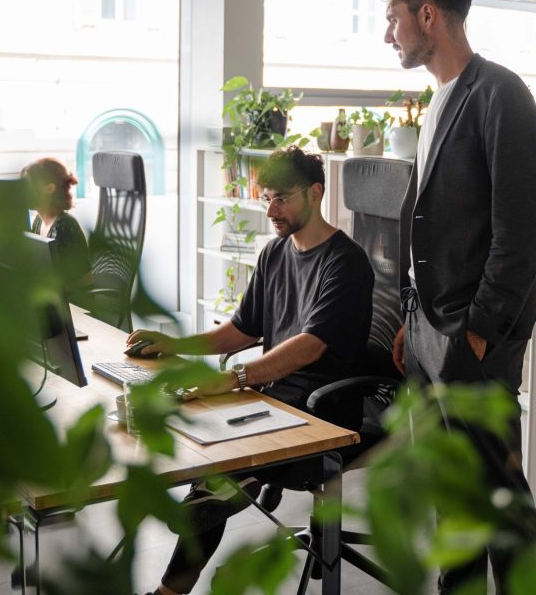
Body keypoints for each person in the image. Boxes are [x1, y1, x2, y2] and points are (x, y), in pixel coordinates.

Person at [126, 146, 374, 595]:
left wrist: (236, 378)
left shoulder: (346, 262)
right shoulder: (275, 252)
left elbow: (310, 345)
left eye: (282, 198)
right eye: (266, 198)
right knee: (205, 436)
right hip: (273, 399)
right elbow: (243, 329)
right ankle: (208, 507)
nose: (271, 210)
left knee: (220, 466)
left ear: (315, 193)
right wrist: (175, 344)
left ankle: (175, 578)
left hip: (323, 413)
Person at [379, 0, 536, 593]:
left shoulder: (499, 93)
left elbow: (523, 229)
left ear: (428, 15)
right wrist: (410, 316)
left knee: (498, 495)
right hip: (429, 329)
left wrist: (478, 330)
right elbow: (428, 221)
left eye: (393, 19)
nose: (388, 34)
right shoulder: (437, 102)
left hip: (473, 335)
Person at [20, 157, 91, 295]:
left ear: (49, 189)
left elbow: (86, 278)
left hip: (72, 305)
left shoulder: (66, 225)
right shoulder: (38, 222)